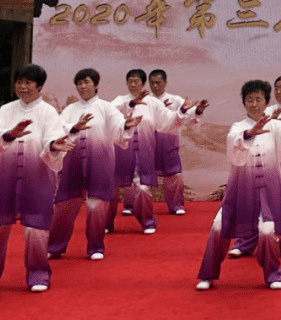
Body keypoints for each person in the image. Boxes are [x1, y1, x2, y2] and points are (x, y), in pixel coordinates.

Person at [195, 80, 281, 291]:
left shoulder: (275, 126)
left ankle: (273, 274)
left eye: (259, 99)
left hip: (268, 191)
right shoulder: (238, 127)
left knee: (267, 231)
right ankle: (208, 275)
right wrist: (249, 134)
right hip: (240, 192)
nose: (254, 104)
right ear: (244, 103)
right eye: (250, 100)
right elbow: (234, 147)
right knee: (218, 227)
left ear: (266, 102)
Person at [0, 64, 88, 293]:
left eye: (28, 83)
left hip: (38, 177)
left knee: (36, 229)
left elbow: (53, 137)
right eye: (19, 82)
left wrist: (53, 145)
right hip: (6, 177)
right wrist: (10, 134)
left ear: (39, 86)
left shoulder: (48, 112)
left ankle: (38, 275)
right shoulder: (6, 110)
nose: (22, 87)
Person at [48, 69, 140, 260]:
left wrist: (126, 125)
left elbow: (118, 126)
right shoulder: (70, 110)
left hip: (100, 160)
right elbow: (57, 129)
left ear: (96, 85)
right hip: (72, 162)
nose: (82, 87)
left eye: (87, 82)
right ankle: (56, 246)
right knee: (65, 204)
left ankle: (95, 246)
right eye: (79, 83)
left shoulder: (106, 108)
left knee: (96, 204)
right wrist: (74, 127)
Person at [108, 69, 186, 234]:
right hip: (121, 154)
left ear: (143, 83)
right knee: (111, 189)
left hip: (143, 154)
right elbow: (110, 117)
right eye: (130, 81)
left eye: (136, 81)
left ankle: (148, 221)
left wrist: (184, 111)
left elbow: (169, 121)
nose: (133, 84)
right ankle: (107, 223)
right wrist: (131, 104)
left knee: (143, 189)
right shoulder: (118, 101)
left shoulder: (152, 103)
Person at [149, 68, 207, 215]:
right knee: (138, 175)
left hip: (168, 142)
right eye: (152, 83)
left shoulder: (176, 100)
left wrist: (198, 110)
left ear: (165, 83)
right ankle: (131, 206)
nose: (155, 86)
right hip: (148, 142)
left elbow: (190, 115)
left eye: (158, 82)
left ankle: (176, 206)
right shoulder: (144, 100)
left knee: (174, 174)